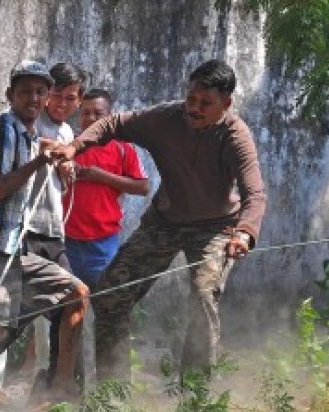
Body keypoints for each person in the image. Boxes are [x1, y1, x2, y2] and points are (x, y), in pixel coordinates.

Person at [51, 59, 267, 383]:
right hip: (164, 222)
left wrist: (245, 233)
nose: (193, 109)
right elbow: (113, 124)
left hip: (216, 229)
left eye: (204, 104)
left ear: (226, 103)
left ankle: (194, 396)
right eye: (191, 99)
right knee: (111, 292)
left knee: (203, 294)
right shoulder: (166, 118)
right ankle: (114, 389)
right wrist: (74, 147)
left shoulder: (235, 136)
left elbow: (255, 194)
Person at [0, 59, 88, 407]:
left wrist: (59, 167)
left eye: (39, 91)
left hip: (15, 246)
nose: (34, 98)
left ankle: (59, 391)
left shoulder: (31, 133)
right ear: (10, 95)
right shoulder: (4, 130)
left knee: (73, 295)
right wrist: (38, 162)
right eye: (25, 92)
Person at [25, 62, 90, 398]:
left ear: (79, 101)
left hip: (52, 231)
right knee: (11, 317)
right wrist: (54, 152)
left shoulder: (67, 133)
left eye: (71, 98)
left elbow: (60, 170)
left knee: (72, 300)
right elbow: (31, 143)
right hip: (25, 230)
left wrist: (68, 167)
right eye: (57, 96)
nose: (62, 104)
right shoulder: (32, 120)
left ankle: (59, 385)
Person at [64, 88, 150, 289]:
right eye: (85, 113)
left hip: (103, 242)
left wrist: (100, 176)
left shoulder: (123, 148)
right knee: (67, 305)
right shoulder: (69, 145)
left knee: (105, 301)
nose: (91, 118)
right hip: (67, 240)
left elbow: (143, 187)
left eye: (98, 113)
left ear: (110, 116)